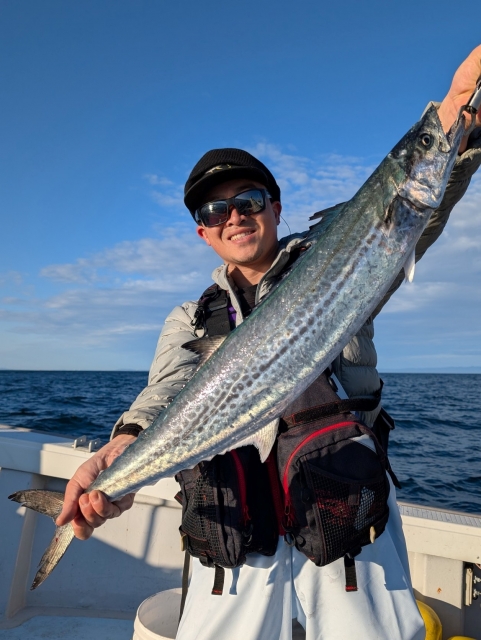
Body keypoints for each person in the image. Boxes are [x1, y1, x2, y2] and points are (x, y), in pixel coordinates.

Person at [57, 47, 481, 639]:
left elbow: (409, 209)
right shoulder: (189, 318)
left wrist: (456, 116)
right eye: (216, 210)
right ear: (204, 232)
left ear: (276, 209)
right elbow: (167, 392)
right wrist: (121, 449)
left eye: (249, 201)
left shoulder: (341, 259)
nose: (234, 215)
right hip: (233, 535)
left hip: (347, 519)